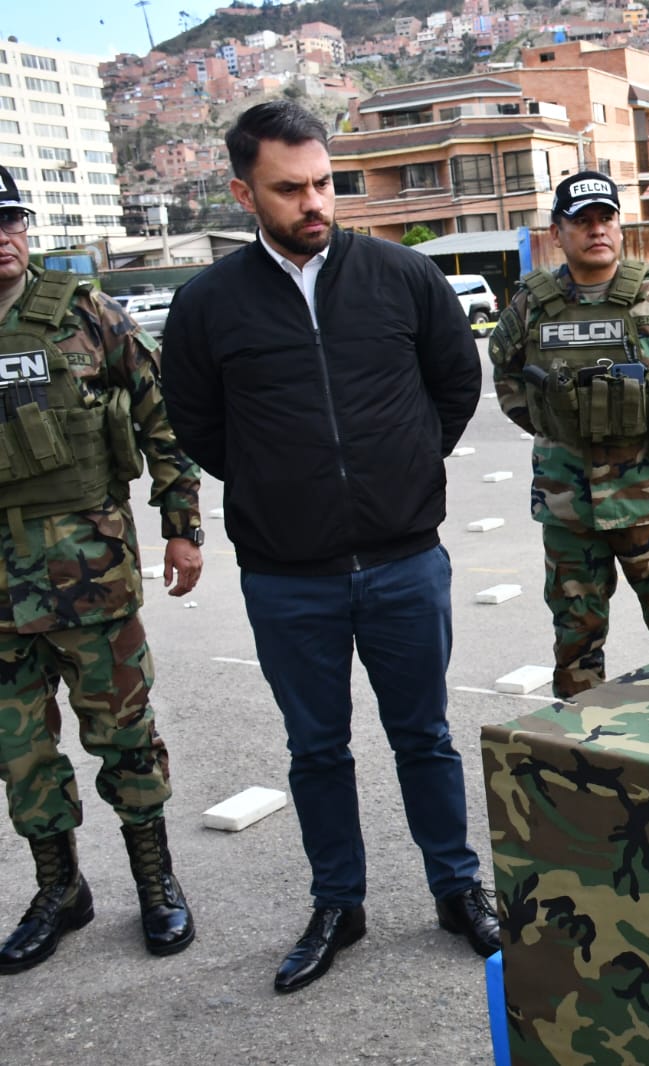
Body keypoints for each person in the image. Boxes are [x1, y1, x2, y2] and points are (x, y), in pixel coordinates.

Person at [159, 100, 498, 994]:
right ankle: (338, 904)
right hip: (287, 576)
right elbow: (198, 423)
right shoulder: (206, 305)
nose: (315, 203)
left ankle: (456, 889)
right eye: (290, 189)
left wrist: (401, 468)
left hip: (403, 562)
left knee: (424, 736)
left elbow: (455, 383)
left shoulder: (401, 276)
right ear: (244, 193)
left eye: (323, 184)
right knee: (317, 751)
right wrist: (279, 485)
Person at [0, 163, 203, 973]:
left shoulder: (85, 314)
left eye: (8, 221)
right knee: (19, 752)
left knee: (124, 737)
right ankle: (61, 890)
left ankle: (155, 882)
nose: (1, 239)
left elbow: (163, 420)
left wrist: (180, 528)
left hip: (90, 574)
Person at [487, 171, 649, 699]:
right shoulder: (530, 307)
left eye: (606, 218)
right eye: (581, 221)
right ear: (557, 231)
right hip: (569, 509)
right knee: (576, 642)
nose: (596, 230)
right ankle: (580, 751)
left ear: (620, 226)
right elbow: (508, 380)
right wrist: (561, 427)